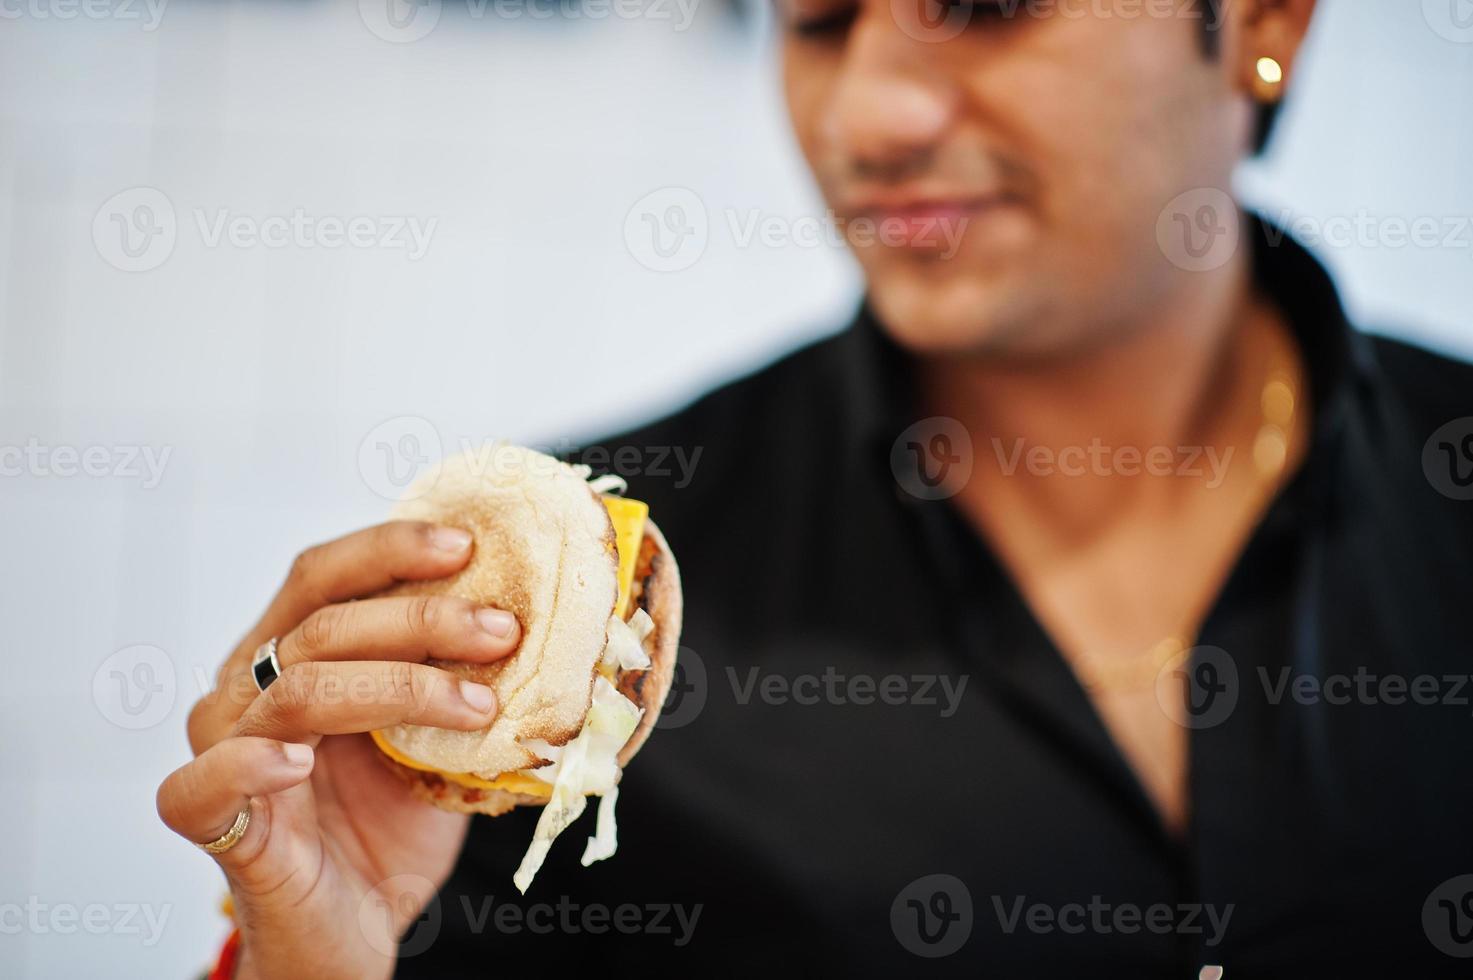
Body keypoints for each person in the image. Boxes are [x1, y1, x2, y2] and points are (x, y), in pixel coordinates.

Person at [158, 0, 1473, 975]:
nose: (865, 118)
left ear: (1262, 21)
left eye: (980, 8)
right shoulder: (577, 646)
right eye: (817, 24)